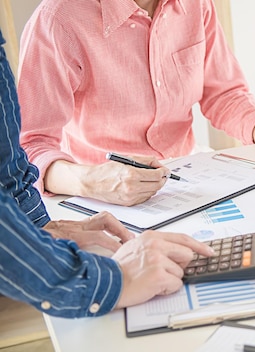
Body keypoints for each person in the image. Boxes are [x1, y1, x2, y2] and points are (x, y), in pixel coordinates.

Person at [17, 0, 255, 207]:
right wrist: (90, 181)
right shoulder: (58, 19)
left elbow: (224, 93)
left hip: (186, 176)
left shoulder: (197, 4)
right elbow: (31, 145)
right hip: (97, 195)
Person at [0, 29, 214, 318]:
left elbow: (7, 164)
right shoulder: (57, 20)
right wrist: (109, 282)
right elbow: (32, 142)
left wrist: (40, 228)